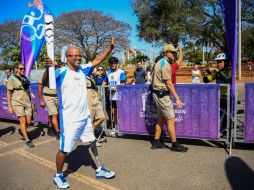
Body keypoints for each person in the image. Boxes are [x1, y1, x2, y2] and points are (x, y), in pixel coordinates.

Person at [42, 37, 116, 189]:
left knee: (92, 141)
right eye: (74, 55)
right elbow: (45, 82)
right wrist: (47, 69)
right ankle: (58, 175)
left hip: (84, 117)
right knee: (64, 149)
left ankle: (99, 168)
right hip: (70, 120)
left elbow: (96, 60)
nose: (77, 57)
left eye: (79, 55)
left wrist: (110, 48)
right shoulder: (60, 72)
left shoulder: (83, 69)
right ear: (67, 57)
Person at [151, 43, 188, 152]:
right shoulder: (165, 64)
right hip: (162, 95)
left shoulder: (159, 62)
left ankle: (156, 141)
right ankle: (175, 144)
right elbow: (169, 83)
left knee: (161, 118)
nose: (174, 54)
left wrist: (179, 50)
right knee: (171, 119)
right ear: (167, 53)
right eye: (172, 52)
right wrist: (177, 98)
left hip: (157, 94)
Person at [203, 52, 232, 136]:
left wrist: (218, 72)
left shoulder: (230, 70)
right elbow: (206, 80)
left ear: (225, 62)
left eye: (220, 62)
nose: (218, 64)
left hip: (227, 96)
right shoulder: (217, 72)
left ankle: (227, 132)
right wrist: (206, 74)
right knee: (218, 115)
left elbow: (228, 80)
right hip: (218, 96)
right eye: (217, 62)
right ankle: (220, 130)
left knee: (227, 115)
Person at [6, 63, 35, 148]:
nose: (23, 70)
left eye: (24, 69)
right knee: (22, 120)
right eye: (21, 69)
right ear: (16, 69)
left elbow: (26, 89)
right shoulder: (12, 79)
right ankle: (27, 140)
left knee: (28, 121)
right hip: (17, 102)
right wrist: (9, 106)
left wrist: (31, 93)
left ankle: (22, 131)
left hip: (27, 101)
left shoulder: (25, 78)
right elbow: (8, 93)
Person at [105, 56, 126, 132]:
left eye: (114, 63)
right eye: (111, 63)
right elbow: (105, 82)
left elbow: (123, 83)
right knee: (113, 111)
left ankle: (121, 127)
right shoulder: (107, 72)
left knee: (119, 111)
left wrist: (116, 88)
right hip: (111, 95)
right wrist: (103, 88)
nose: (112, 64)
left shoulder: (121, 72)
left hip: (119, 94)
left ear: (117, 64)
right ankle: (115, 126)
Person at [38, 71, 60, 139]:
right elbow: (40, 87)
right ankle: (58, 133)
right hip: (48, 96)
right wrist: (41, 100)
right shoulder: (45, 73)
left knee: (54, 115)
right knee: (54, 114)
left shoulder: (59, 72)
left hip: (58, 96)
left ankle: (50, 129)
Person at [86, 73, 106, 147]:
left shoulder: (95, 77)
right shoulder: (83, 76)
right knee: (91, 120)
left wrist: (98, 98)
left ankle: (90, 131)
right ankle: (92, 138)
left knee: (102, 117)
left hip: (96, 101)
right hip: (88, 101)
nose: (97, 71)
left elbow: (97, 87)